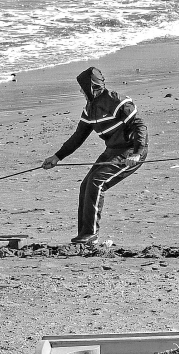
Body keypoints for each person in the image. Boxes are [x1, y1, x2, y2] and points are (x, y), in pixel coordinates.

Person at [41, 67, 149, 245]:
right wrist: (57, 157)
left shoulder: (118, 102)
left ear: (91, 87)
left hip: (131, 151)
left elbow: (140, 126)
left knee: (97, 182)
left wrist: (137, 153)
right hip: (112, 151)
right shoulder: (89, 110)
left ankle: (91, 235)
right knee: (86, 185)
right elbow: (78, 137)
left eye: (82, 87)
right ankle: (84, 234)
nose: (81, 91)